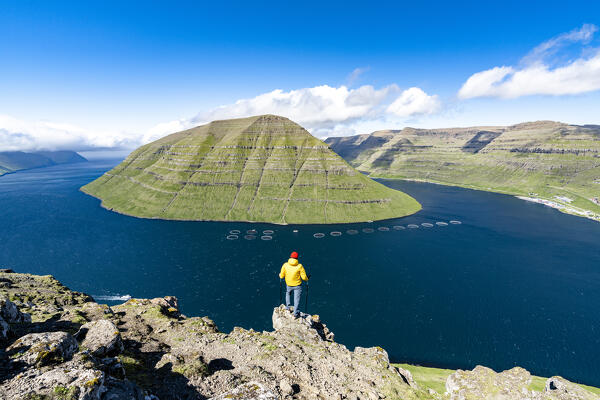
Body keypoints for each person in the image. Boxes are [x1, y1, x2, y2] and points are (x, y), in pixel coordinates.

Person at [279, 251, 309, 318]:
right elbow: (304, 278)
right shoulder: (299, 266)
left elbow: (281, 276)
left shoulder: (285, 265)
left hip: (289, 284)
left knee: (288, 294)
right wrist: (307, 279)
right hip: (297, 285)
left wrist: (280, 275)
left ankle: (288, 307)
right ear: (297, 258)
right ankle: (295, 313)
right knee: (296, 299)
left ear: (290, 257)